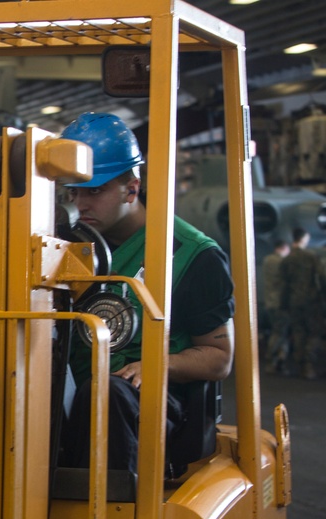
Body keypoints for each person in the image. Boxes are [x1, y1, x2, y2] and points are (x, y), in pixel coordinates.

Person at [59, 112, 235, 474]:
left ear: (132, 188)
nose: (81, 204)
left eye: (95, 191)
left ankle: (111, 514)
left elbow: (219, 357)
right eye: (74, 192)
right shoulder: (63, 248)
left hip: (146, 405)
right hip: (70, 393)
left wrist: (157, 365)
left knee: (107, 394)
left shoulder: (191, 255)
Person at [279, 227, 325, 380]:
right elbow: (322, 276)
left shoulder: (287, 260)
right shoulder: (311, 257)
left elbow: (283, 284)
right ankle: (308, 363)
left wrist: (283, 303)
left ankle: (300, 364)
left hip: (293, 301)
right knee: (314, 332)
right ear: (305, 238)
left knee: (298, 331)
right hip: (311, 301)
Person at [261, 238, 291, 375]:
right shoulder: (281, 262)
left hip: (270, 302)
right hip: (280, 303)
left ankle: (280, 360)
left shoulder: (267, 260)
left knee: (281, 332)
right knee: (279, 332)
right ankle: (272, 359)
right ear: (284, 248)